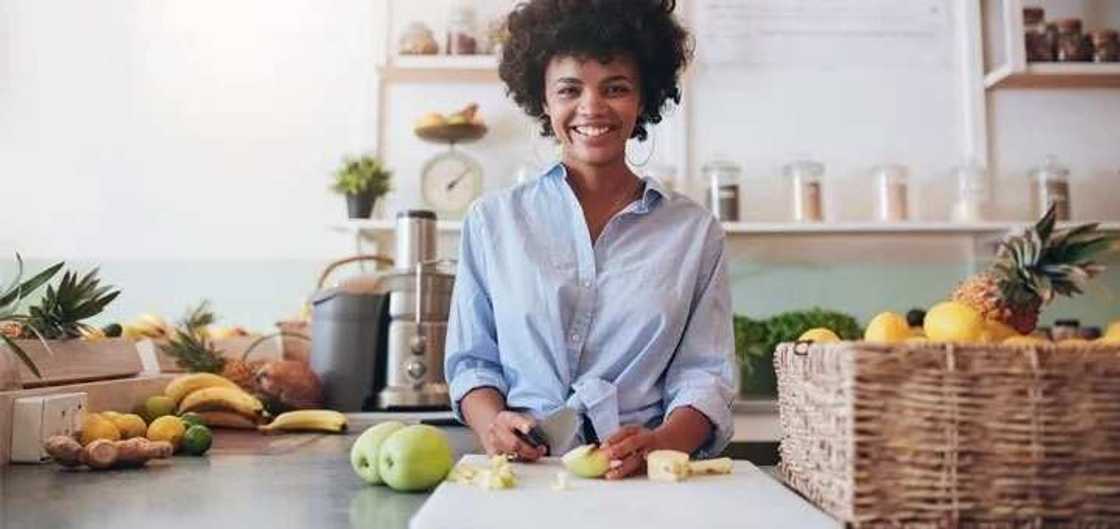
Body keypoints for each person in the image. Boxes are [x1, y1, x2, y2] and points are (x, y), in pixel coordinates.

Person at [444, 0, 736, 480]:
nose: (592, 108)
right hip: (520, 477)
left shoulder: (694, 232)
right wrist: (492, 422)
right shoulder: (491, 222)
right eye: (569, 89)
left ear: (643, 99)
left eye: (616, 88)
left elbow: (705, 374)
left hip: (643, 479)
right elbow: (473, 361)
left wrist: (661, 443)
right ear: (543, 99)